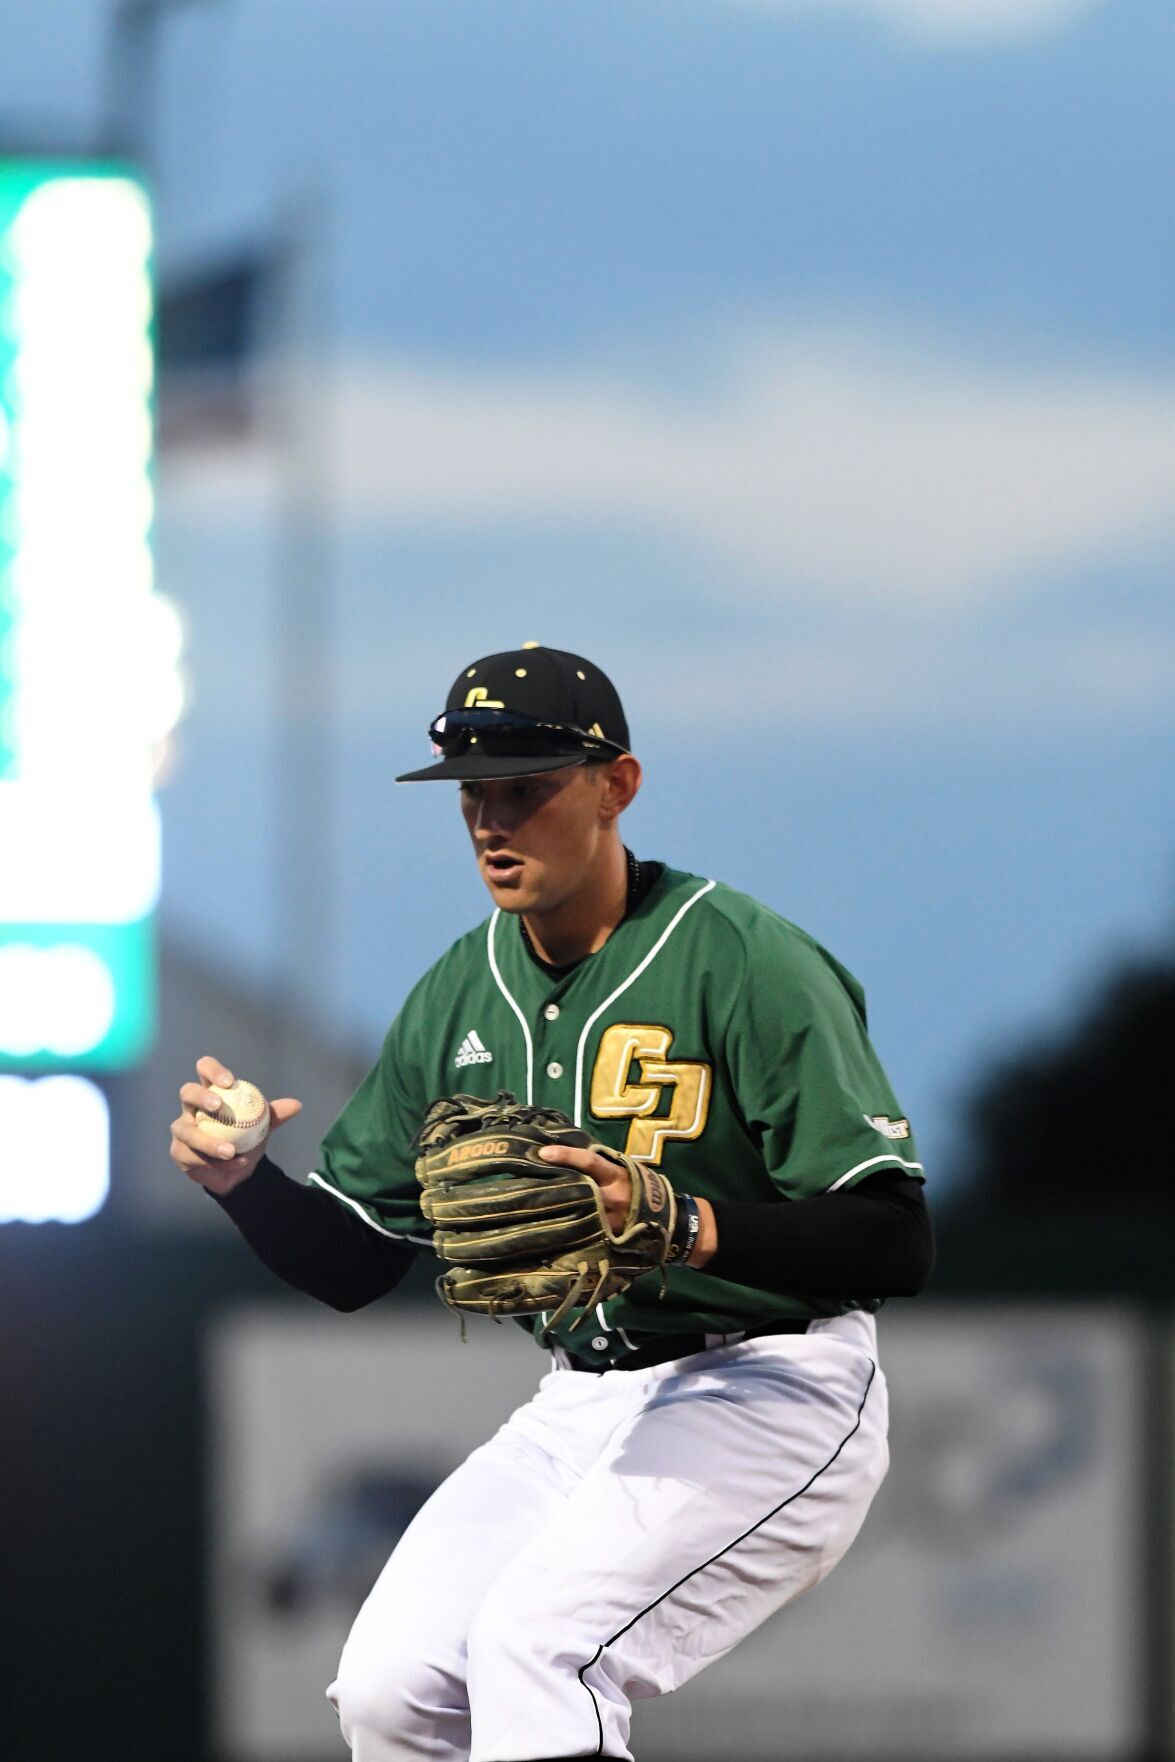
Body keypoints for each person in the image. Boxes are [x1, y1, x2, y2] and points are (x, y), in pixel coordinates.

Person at [169, 642, 934, 1762]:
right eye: (475, 794)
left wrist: (684, 1221)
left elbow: (892, 1236)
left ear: (616, 784)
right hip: (580, 1401)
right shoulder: (457, 991)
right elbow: (355, 1262)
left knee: (538, 1646)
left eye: (526, 788)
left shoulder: (742, 958)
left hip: (770, 1382)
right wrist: (244, 1185)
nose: (492, 820)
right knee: (389, 1689)